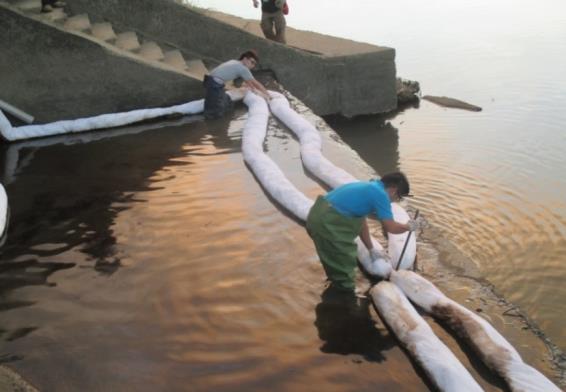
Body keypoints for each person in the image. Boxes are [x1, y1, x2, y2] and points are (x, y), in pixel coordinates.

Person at [306, 172, 424, 292]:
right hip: (327, 223)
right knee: (342, 263)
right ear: (394, 190)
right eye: (398, 198)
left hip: (319, 215)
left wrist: (371, 249)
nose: (394, 202)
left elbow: (361, 223)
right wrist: (408, 227)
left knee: (333, 259)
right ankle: (345, 296)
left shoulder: (371, 187)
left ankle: (336, 285)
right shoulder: (380, 194)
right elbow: (391, 227)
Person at [203, 50, 271, 120]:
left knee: (225, 102)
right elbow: (256, 83)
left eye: (254, 64)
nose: (252, 66)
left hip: (210, 81)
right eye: (252, 62)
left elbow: (249, 82)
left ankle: (224, 121)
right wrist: (268, 95)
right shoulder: (243, 68)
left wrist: (253, 89)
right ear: (245, 59)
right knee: (215, 111)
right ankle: (214, 126)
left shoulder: (234, 62)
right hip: (214, 84)